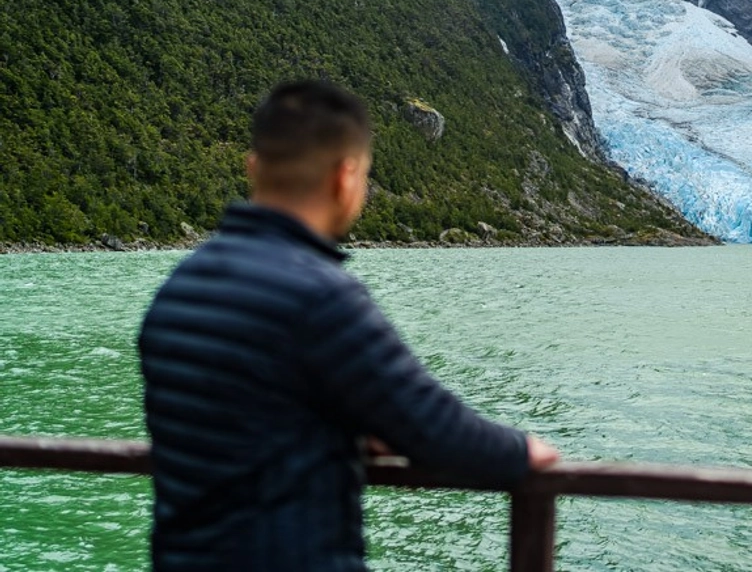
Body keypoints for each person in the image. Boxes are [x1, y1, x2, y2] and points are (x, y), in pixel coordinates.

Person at [138, 80, 559, 570]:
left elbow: (250, 410)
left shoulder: (178, 289)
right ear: (346, 177)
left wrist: (349, 420)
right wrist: (524, 450)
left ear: (254, 168)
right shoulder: (320, 296)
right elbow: (434, 429)